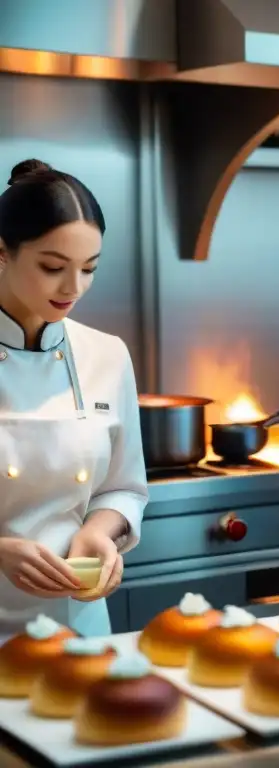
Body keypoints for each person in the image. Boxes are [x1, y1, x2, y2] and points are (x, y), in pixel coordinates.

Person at [0, 159, 147, 638]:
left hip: (76, 628)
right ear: (2, 251)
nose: (74, 288)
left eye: (89, 269)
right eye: (52, 267)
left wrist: (98, 531)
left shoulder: (107, 354)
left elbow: (123, 488)